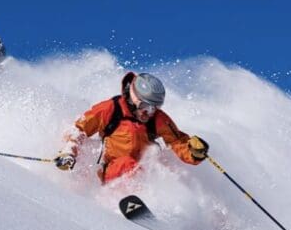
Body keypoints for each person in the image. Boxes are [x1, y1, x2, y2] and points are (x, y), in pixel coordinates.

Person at [55, 71, 209, 183]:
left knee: (169, 171)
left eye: (154, 107)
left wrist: (195, 152)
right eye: (144, 106)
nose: (148, 112)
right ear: (133, 99)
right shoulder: (110, 109)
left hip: (144, 172)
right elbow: (79, 129)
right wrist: (69, 152)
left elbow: (177, 141)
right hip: (113, 171)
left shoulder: (157, 119)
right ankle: (132, 202)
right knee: (128, 164)